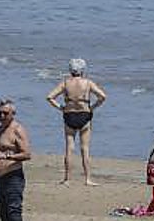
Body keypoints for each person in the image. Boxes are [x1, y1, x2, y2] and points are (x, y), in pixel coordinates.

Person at [45, 58, 108, 186]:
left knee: (69, 148)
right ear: (83, 70)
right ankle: (88, 179)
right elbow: (103, 96)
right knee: (85, 149)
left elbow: (50, 97)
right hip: (84, 114)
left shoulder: (65, 83)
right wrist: (93, 107)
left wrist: (60, 107)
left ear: (70, 70)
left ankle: (67, 179)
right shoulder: (88, 83)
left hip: (69, 115)